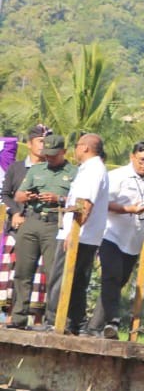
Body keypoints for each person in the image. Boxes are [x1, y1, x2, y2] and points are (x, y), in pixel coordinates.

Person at [87, 141, 144, 338]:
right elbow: (102, 203)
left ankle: (94, 326)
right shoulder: (117, 177)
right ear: (132, 157)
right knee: (111, 276)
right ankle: (113, 321)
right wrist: (128, 209)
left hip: (133, 242)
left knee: (117, 282)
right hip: (110, 235)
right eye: (142, 160)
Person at [41, 134, 109, 334]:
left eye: (78, 146)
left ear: (86, 148)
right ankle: (76, 323)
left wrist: (73, 233)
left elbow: (84, 205)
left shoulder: (93, 170)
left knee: (61, 278)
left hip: (80, 234)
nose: (76, 150)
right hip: (86, 234)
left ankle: (54, 320)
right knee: (78, 281)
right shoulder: (90, 169)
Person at [6, 134, 75, 330]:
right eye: (47, 154)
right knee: (23, 271)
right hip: (31, 221)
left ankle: (52, 320)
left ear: (64, 152)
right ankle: (18, 318)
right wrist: (27, 195)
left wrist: (59, 199)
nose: (49, 158)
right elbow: (17, 195)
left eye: (54, 155)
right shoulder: (36, 169)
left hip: (55, 225)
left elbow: (79, 200)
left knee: (53, 274)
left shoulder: (73, 172)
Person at [1, 125, 49, 316]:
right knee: (13, 274)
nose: (43, 146)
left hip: (40, 228)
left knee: (38, 277)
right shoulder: (16, 168)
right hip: (15, 227)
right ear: (29, 144)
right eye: (40, 141)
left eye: (47, 142)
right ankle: (11, 319)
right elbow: (5, 194)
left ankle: (36, 323)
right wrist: (14, 212)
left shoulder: (51, 170)